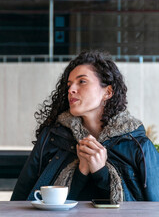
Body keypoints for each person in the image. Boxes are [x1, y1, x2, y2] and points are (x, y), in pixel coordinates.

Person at [11, 51, 159, 203]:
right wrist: (81, 172)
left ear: (107, 92)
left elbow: (153, 207)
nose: (71, 90)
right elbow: (19, 199)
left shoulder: (138, 146)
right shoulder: (52, 138)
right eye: (69, 85)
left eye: (82, 82)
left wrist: (101, 172)